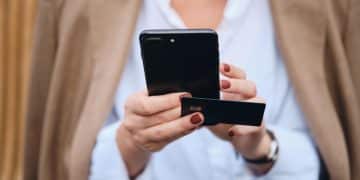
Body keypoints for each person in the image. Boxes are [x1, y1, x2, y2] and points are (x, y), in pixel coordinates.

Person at [25, 0, 360, 180]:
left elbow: (336, 155)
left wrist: (261, 147)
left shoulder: (332, 8)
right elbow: (59, 157)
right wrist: (131, 143)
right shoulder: (72, 7)